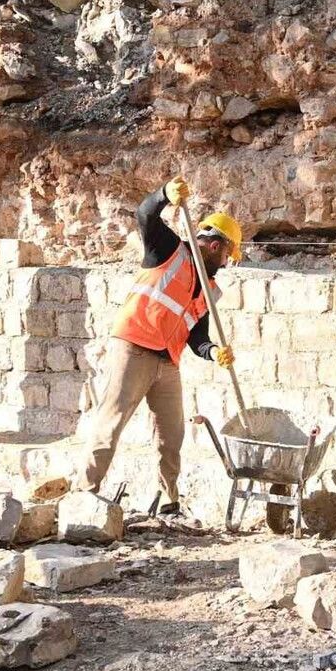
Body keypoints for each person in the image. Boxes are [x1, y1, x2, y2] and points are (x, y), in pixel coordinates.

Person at [81, 177, 239, 519]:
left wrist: (213, 351)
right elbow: (144, 216)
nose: (228, 262)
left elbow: (197, 337)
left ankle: (169, 502)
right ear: (215, 247)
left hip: (167, 363)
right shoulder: (169, 250)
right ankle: (84, 494)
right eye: (229, 254)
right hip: (133, 347)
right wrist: (164, 196)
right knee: (111, 424)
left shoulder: (210, 289)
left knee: (171, 437)